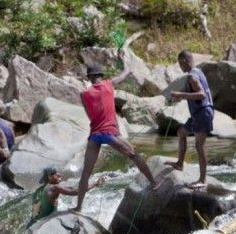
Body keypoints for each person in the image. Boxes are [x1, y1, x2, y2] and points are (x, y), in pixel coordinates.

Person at [70, 50, 164, 215]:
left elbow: (90, 115)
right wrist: (122, 58)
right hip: (108, 133)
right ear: (101, 75)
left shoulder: (83, 94)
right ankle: (154, 182)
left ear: (89, 78)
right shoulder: (108, 84)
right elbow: (126, 72)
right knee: (135, 155)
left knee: (86, 171)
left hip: (94, 135)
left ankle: (78, 207)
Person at [164, 50, 214, 189]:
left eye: (181, 63)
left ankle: (203, 180)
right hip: (198, 113)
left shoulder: (192, 76)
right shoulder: (198, 71)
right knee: (181, 133)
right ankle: (180, 163)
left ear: (186, 61)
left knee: (199, 145)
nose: (180, 66)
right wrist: (183, 96)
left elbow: (201, 94)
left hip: (203, 112)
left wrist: (181, 94)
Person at [27, 166, 106, 227]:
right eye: (57, 175)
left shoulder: (39, 190)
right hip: (42, 225)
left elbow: (71, 189)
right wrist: (96, 184)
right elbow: (76, 191)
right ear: (49, 177)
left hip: (32, 225)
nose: (60, 177)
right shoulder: (54, 188)